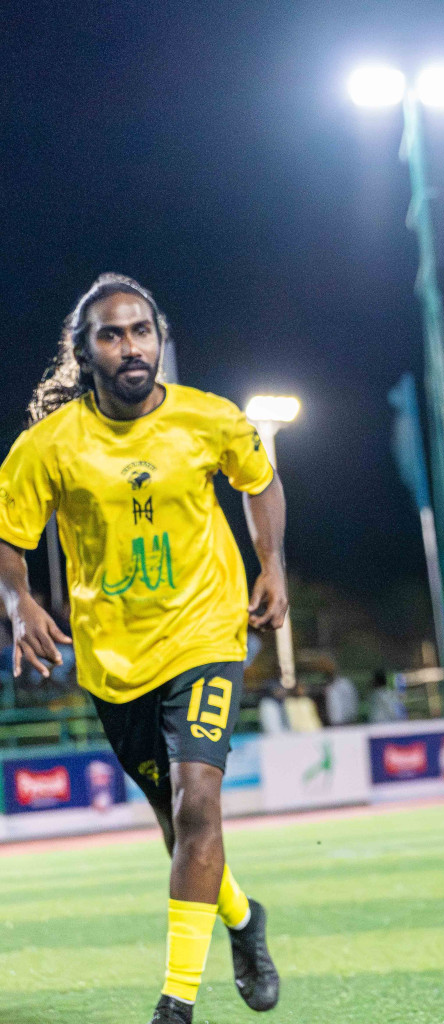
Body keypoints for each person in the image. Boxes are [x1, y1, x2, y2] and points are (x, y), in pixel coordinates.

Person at [0, 274, 283, 1024]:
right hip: (114, 662)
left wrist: (271, 563)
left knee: (199, 808)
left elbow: (262, 480)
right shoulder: (48, 447)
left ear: (160, 340)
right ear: (85, 353)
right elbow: (8, 538)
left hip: (206, 634)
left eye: (142, 330)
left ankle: (176, 1006)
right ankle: (242, 918)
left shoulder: (210, 419)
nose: (131, 346)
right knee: (178, 825)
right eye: (112, 334)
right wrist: (17, 601)